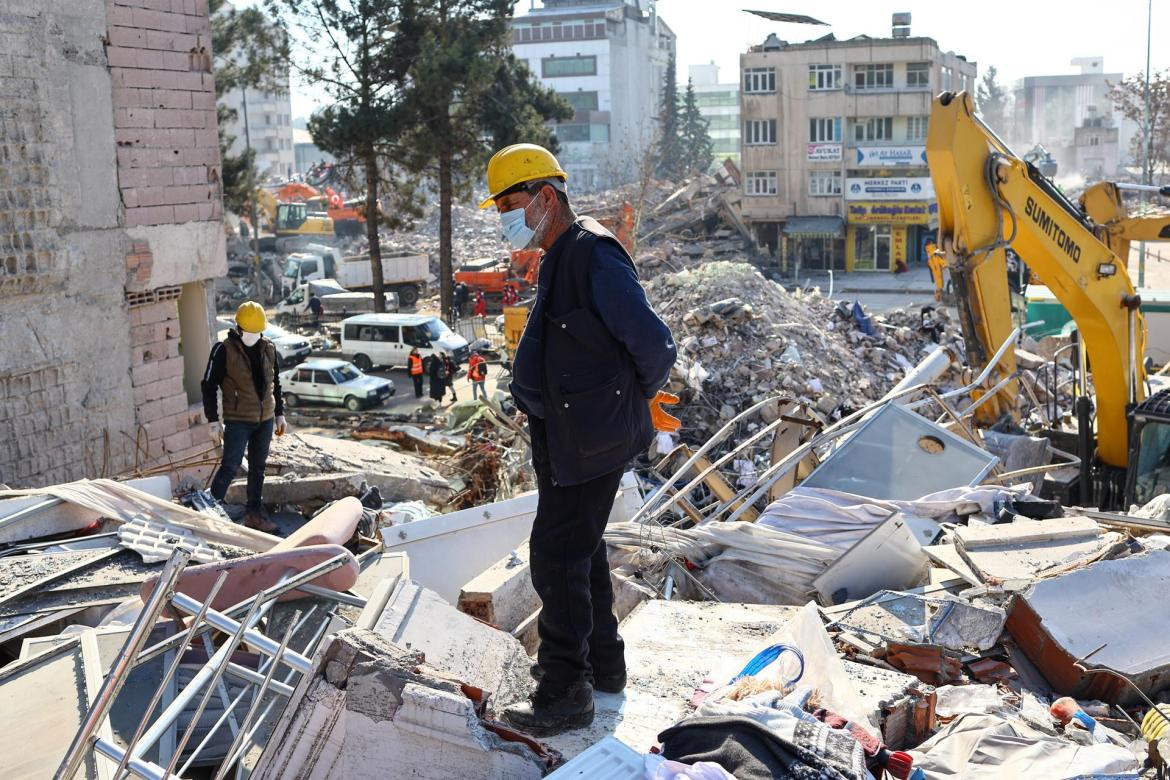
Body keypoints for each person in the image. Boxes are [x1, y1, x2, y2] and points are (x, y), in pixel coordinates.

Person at [480, 144, 679, 735]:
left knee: (556, 555)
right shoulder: (560, 254)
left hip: (590, 438)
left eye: (510, 205)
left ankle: (564, 693)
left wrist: (627, 400)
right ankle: (604, 667)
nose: (505, 219)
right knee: (583, 551)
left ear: (546, 198)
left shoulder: (594, 255)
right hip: (569, 436)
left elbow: (654, 345)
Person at [201, 301, 286, 533]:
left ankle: (254, 515)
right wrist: (213, 419)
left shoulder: (268, 347)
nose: (254, 336)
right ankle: (208, 516)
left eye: (258, 332)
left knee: (258, 469)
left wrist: (279, 414)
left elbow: (275, 383)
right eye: (250, 332)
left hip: (265, 419)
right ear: (238, 328)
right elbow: (208, 385)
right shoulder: (223, 350)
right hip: (238, 419)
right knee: (230, 466)